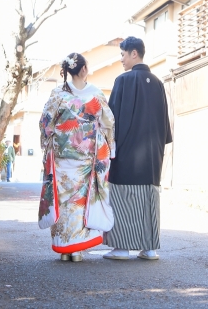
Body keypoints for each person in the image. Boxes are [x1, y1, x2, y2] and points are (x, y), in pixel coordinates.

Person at [39, 53, 115, 262]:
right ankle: (76, 249)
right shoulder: (96, 95)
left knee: (63, 199)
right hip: (86, 157)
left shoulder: (57, 95)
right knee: (80, 201)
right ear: (83, 70)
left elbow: (46, 124)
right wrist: (109, 147)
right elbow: (108, 123)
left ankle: (63, 246)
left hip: (62, 157)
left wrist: (48, 146)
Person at [103, 37, 172, 261]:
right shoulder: (159, 84)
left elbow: (110, 119)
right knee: (148, 201)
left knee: (123, 200)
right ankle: (149, 248)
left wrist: (108, 146)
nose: (121, 60)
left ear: (134, 54)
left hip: (126, 155)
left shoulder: (123, 81)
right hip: (152, 157)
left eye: (122, 55)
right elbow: (164, 125)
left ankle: (122, 248)